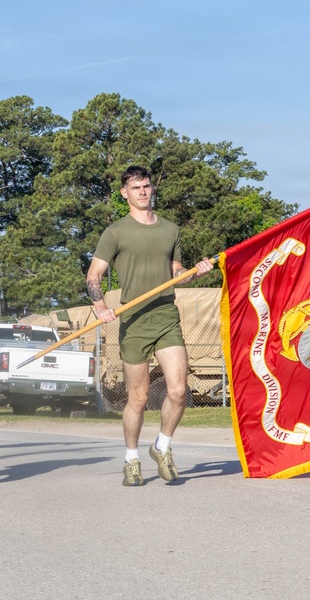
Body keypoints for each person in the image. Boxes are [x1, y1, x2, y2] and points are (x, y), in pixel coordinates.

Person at [86, 165, 214, 487]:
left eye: (146, 186)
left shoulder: (170, 230)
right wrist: (100, 306)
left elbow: (175, 271)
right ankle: (131, 458)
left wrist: (193, 272)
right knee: (139, 398)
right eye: (136, 187)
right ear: (124, 193)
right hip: (133, 321)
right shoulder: (115, 232)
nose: (143, 192)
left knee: (179, 390)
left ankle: (162, 446)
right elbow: (94, 275)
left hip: (165, 316)